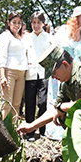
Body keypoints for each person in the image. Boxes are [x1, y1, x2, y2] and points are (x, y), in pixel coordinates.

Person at [46, 6, 81, 140]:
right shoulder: (63, 31)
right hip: (60, 71)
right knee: (57, 100)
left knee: (73, 101)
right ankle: (55, 132)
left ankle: (71, 132)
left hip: (74, 74)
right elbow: (53, 49)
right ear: (76, 17)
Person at [23, 12, 53, 141]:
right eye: (34, 22)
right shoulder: (26, 38)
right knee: (30, 103)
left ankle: (42, 131)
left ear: (43, 24)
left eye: (38, 23)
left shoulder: (49, 38)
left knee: (43, 103)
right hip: (30, 74)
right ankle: (30, 131)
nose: (36, 25)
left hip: (44, 74)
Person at [0, 12, 28, 119]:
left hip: (21, 73)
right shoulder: (5, 36)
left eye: (19, 23)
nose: (17, 25)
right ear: (8, 22)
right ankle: (4, 132)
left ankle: (13, 130)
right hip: (9, 72)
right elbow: (2, 56)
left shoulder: (20, 38)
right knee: (7, 104)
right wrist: (2, 76)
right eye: (14, 22)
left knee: (16, 104)